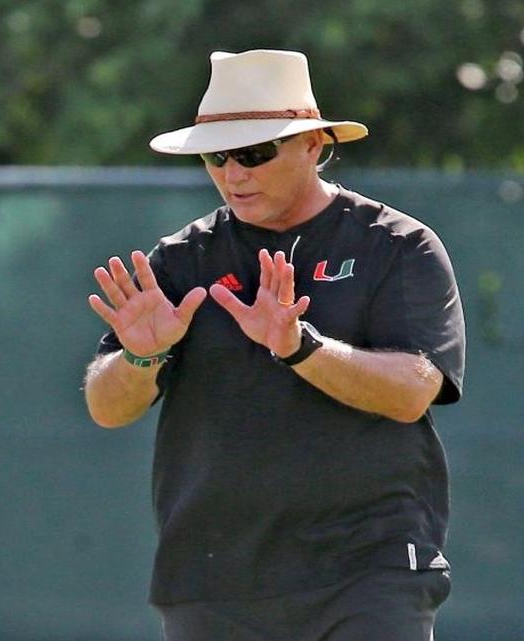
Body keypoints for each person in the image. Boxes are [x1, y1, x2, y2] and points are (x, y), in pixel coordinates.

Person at [84, 49, 465, 641]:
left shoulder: (397, 245)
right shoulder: (181, 260)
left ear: (313, 145)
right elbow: (107, 409)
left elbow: (413, 391)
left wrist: (300, 348)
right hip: (212, 579)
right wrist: (140, 356)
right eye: (216, 156)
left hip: (370, 570)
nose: (233, 174)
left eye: (255, 154)